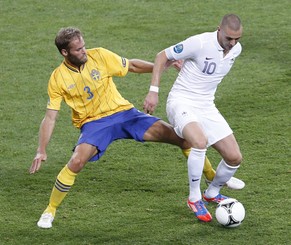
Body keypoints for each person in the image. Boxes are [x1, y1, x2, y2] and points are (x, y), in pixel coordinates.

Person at [29, 27, 237, 229]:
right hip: (95, 125)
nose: (84, 51)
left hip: (125, 114)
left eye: (84, 46)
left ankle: (211, 180)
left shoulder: (99, 56)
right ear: (65, 52)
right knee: (76, 162)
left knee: (184, 138)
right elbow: (50, 118)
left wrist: (162, 66)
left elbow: (132, 66)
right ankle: (50, 210)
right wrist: (41, 149)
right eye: (78, 49)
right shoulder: (58, 79)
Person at [144, 14, 244, 222]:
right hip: (181, 101)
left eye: (237, 39)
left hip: (206, 105)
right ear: (219, 30)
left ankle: (212, 193)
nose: (232, 43)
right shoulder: (199, 43)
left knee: (234, 157)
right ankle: (194, 197)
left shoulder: (236, 50)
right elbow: (162, 56)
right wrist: (153, 91)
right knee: (199, 141)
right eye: (229, 38)